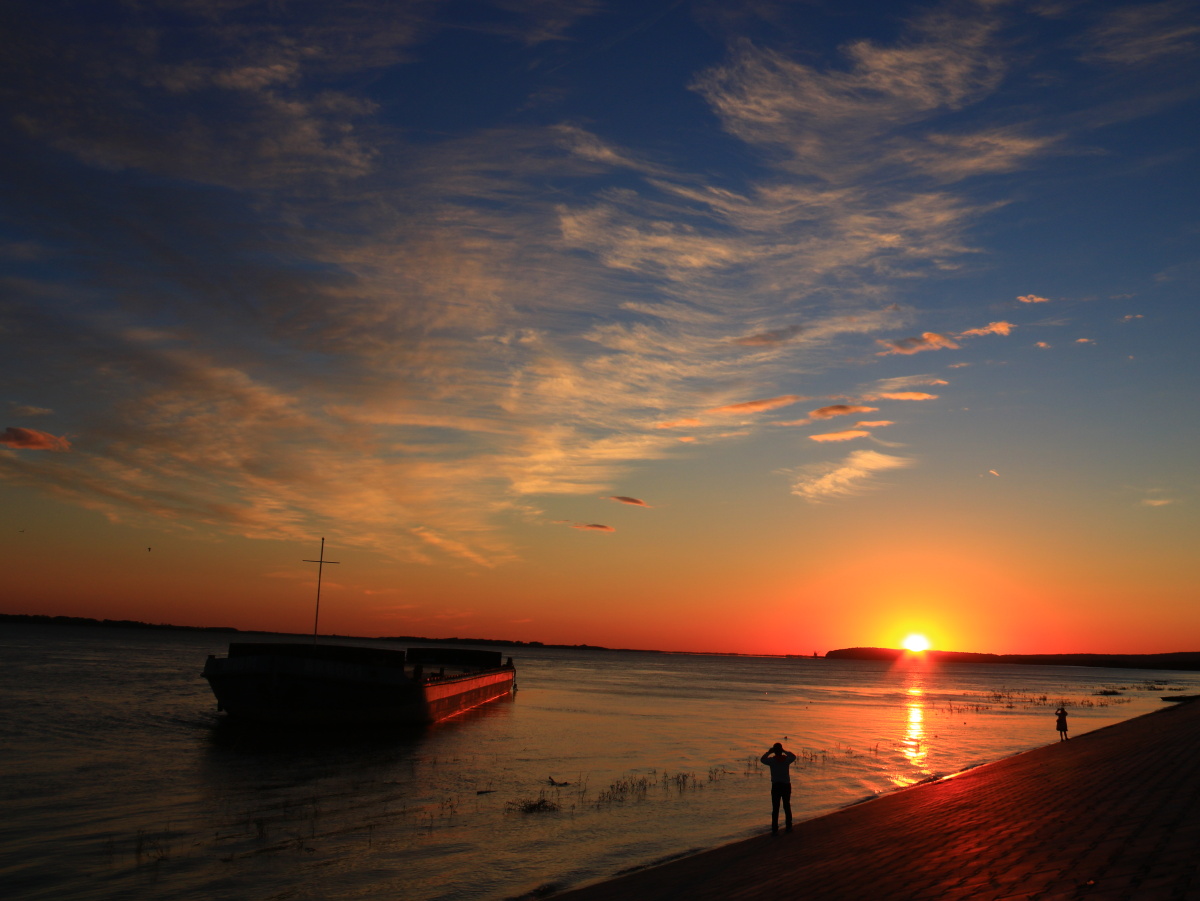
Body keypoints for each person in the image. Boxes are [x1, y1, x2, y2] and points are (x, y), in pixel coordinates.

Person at [760, 742, 797, 834]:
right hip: (786, 785)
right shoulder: (786, 759)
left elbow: (762, 759)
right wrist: (785, 751)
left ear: (774, 751)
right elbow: (793, 756)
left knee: (775, 808)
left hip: (776, 786)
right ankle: (788, 826)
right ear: (781, 750)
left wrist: (768, 752)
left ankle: (775, 828)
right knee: (786, 806)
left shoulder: (772, 761)